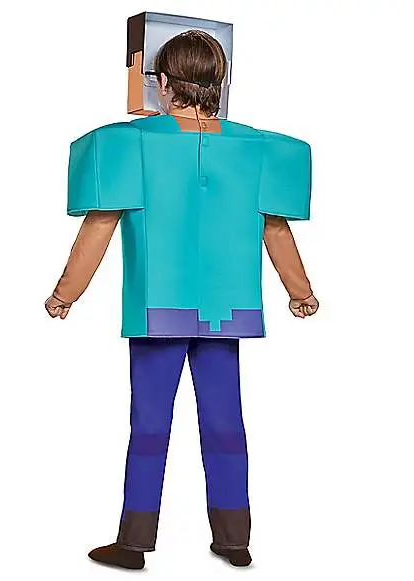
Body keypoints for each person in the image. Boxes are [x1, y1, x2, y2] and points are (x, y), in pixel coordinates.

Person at [45, 29, 319, 570]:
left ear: (163, 82)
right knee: (225, 422)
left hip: (159, 308)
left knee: (150, 425)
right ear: (220, 82)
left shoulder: (130, 144)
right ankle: (234, 539)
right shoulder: (258, 147)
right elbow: (277, 229)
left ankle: (134, 542)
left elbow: (98, 227)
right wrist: (301, 291)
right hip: (228, 310)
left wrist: (64, 293)